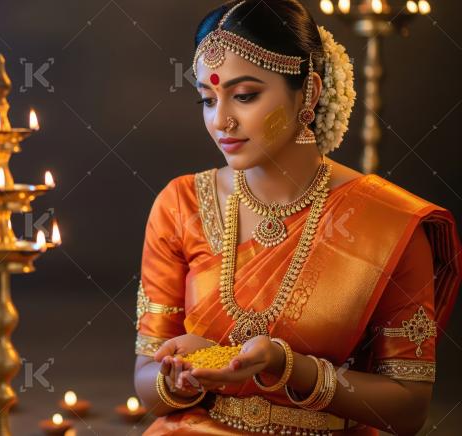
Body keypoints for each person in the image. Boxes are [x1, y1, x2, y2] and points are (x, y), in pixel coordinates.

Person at [132, 1, 461, 434]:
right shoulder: (180, 205)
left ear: (309, 92)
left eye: (245, 95)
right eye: (207, 99)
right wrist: (179, 375)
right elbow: (145, 383)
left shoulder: (387, 220)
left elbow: (408, 408)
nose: (221, 121)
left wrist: (287, 367)